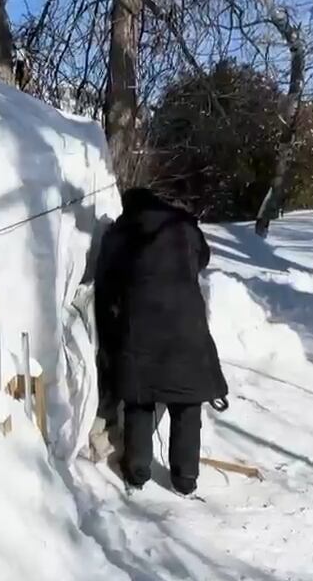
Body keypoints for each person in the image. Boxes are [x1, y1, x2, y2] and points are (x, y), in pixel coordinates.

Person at [94, 188, 227, 494]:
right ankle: (185, 479)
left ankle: (137, 471)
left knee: (140, 400)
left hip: (141, 328)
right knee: (187, 404)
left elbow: (107, 279)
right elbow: (203, 258)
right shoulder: (182, 226)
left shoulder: (123, 232)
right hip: (188, 328)